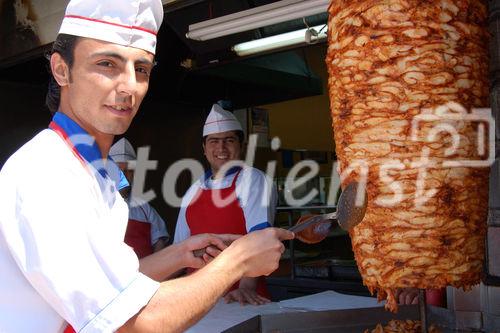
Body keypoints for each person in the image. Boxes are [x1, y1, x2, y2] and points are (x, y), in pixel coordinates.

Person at [0, 1, 294, 332]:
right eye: (107, 63)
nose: (128, 87)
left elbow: (116, 287)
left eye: (141, 69)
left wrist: (181, 254)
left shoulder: (97, 173)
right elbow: (133, 322)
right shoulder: (46, 172)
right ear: (61, 69)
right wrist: (236, 262)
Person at [174, 104, 278, 306]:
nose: (221, 148)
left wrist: (245, 289)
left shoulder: (254, 180)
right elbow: (179, 251)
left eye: (229, 140)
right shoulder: (193, 190)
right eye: (214, 141)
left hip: (240, 298)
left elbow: (261, 241)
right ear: (204, 149)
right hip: (194, 299)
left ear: (241, 145)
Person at [110, 137, 169, 258]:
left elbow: (159, 243)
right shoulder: (98, 202)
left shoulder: (145, 208)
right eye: (118, 170)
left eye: (128, 171)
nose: (123, 175)